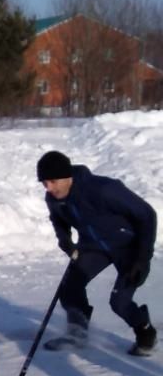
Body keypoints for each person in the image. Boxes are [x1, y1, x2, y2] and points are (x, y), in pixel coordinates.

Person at [37, 149, 157, 356]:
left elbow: (147, 215)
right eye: (44, 183)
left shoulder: (103, 189)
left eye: (53, 181)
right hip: (94, 247)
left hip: (128, 246)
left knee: (119, 303)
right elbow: (58, 220)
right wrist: (65, 241)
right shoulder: (54, 198)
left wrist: (142, 258)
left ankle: (145, 331)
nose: (49, 188)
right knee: (69, 287)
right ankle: (77, 333)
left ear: (67, 177)